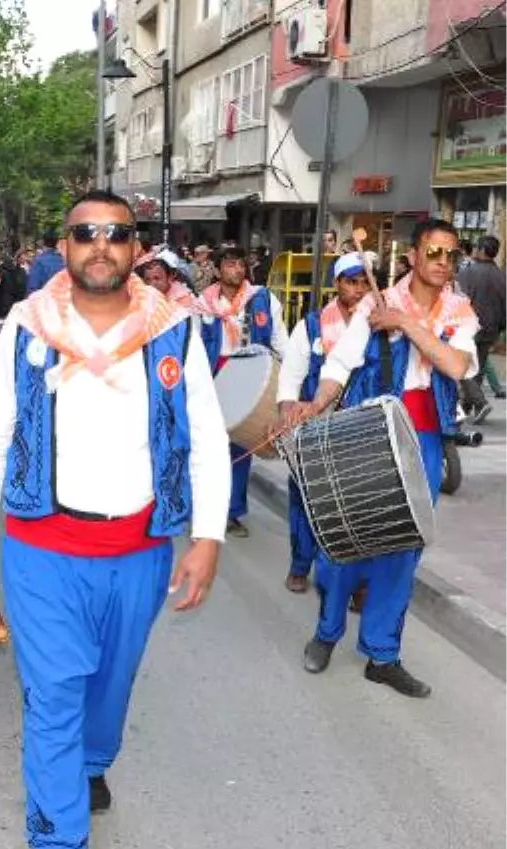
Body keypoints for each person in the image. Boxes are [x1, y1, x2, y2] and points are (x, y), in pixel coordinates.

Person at [0, 191, 230, 849]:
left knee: (110, 684)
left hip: (139, 548)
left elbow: (204, 436)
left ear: (137, 247)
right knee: (53, 695)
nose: (100, 246)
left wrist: (207, 538)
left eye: (116, 234)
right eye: (85, 234)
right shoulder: (26, 326)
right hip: (44, 547)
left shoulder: (175, 332)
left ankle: (95, 763)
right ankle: (58, 845)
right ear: (64, 246)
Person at [297, 218, 480, 698]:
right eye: (433, 253)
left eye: (450, 254)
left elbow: (456, 364)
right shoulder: (375, 305)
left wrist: (404, 324)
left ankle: (382, 653)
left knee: (403, 548)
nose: (442, 263)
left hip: (424, 436)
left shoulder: (459, 310)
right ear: (413, 258)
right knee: (349, 540)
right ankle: (327, 633)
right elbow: (340, 364)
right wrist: (316, 403)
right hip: (371, 434)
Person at [275, 253, 368, 593]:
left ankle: (356, 582)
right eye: (350, 282)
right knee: (306, 500)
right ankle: (300, 564)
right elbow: (290, 378)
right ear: (337, 284)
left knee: (359, 504)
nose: (358, 290)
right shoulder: (311, 326)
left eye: (363, 282)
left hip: (360, 429)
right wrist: (289, 415)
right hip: (315, 428)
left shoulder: (380, 325)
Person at [196, 242, 289, 537]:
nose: (236, 270)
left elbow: (279, 340)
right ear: (218, 268)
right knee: (209, 447)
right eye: (229, 264)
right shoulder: (203, 303)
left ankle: (233, 512)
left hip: (251, 374)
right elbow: (195, 348)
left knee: (240, 448)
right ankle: (206, 510)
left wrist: (288, 380)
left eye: (240, 264)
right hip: (215, 374)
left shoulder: (262, 299)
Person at [456, 235, 507, 423]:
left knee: (461, 368)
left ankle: (479, 402)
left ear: (483, 250)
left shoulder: (469, 273)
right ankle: (467, 405)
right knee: (477, 367)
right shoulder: (502, 275)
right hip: (492, 328)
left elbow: (458, 300)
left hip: (469, 327)